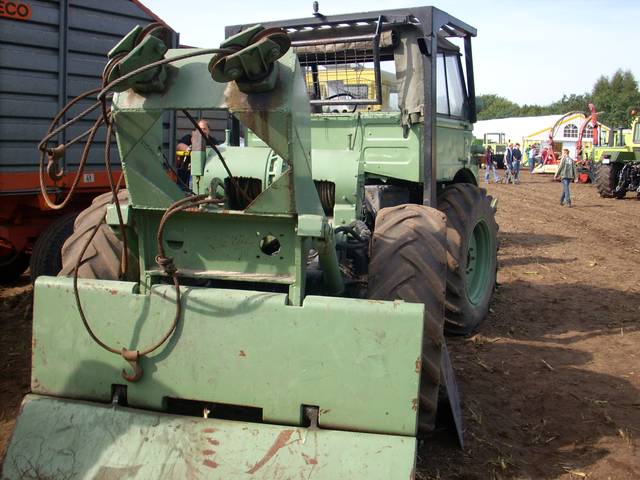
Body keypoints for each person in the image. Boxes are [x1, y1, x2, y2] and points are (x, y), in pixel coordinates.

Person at [175, 120, 222, 187]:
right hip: (187, 173)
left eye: (204, 129)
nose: (202, 131)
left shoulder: (213, 141)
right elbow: (179, 146)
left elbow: (219, 149)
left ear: (208, 130)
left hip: (206, 172)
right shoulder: (189, 137)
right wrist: (188, 149)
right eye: (200, 129)